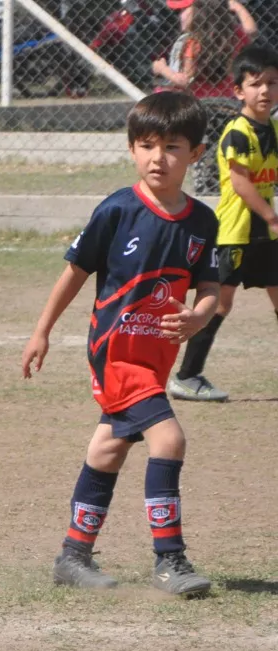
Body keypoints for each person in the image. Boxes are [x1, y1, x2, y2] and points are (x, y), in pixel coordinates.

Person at [22, 92, 221, 597]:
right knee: (169, 439)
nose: (159, 157)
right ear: (132, 149)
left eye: (173, 146)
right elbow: (75, 272)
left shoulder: (202, 222)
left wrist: (200, 314)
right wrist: (42, 330)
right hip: (115, 353)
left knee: (108, 449)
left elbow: (211, 286)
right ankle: (170, 561)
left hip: (155, 357)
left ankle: (72, 556)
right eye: (147, 145)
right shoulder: (117, 209)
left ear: (196, 153)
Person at [170, 44, 278, 401]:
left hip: (264, 233)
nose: (265, 91)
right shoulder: (238, 131)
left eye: (273, 83)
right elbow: (241, 182)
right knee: (219, 303)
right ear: (238, 91)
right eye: (256, 84)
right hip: (237, 232)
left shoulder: (272, 129)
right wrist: (271, 216)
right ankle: (187, 376)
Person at [152, 0, 258, 193]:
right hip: (228, 103)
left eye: (185, 10)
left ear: (199, 13)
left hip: (199, 105)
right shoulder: (233, 36)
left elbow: (185, 80)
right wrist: (237, 6)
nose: (181, 15)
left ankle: (200, 179)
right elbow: (251, 31)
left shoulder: (193, 41)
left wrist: (161, 68)